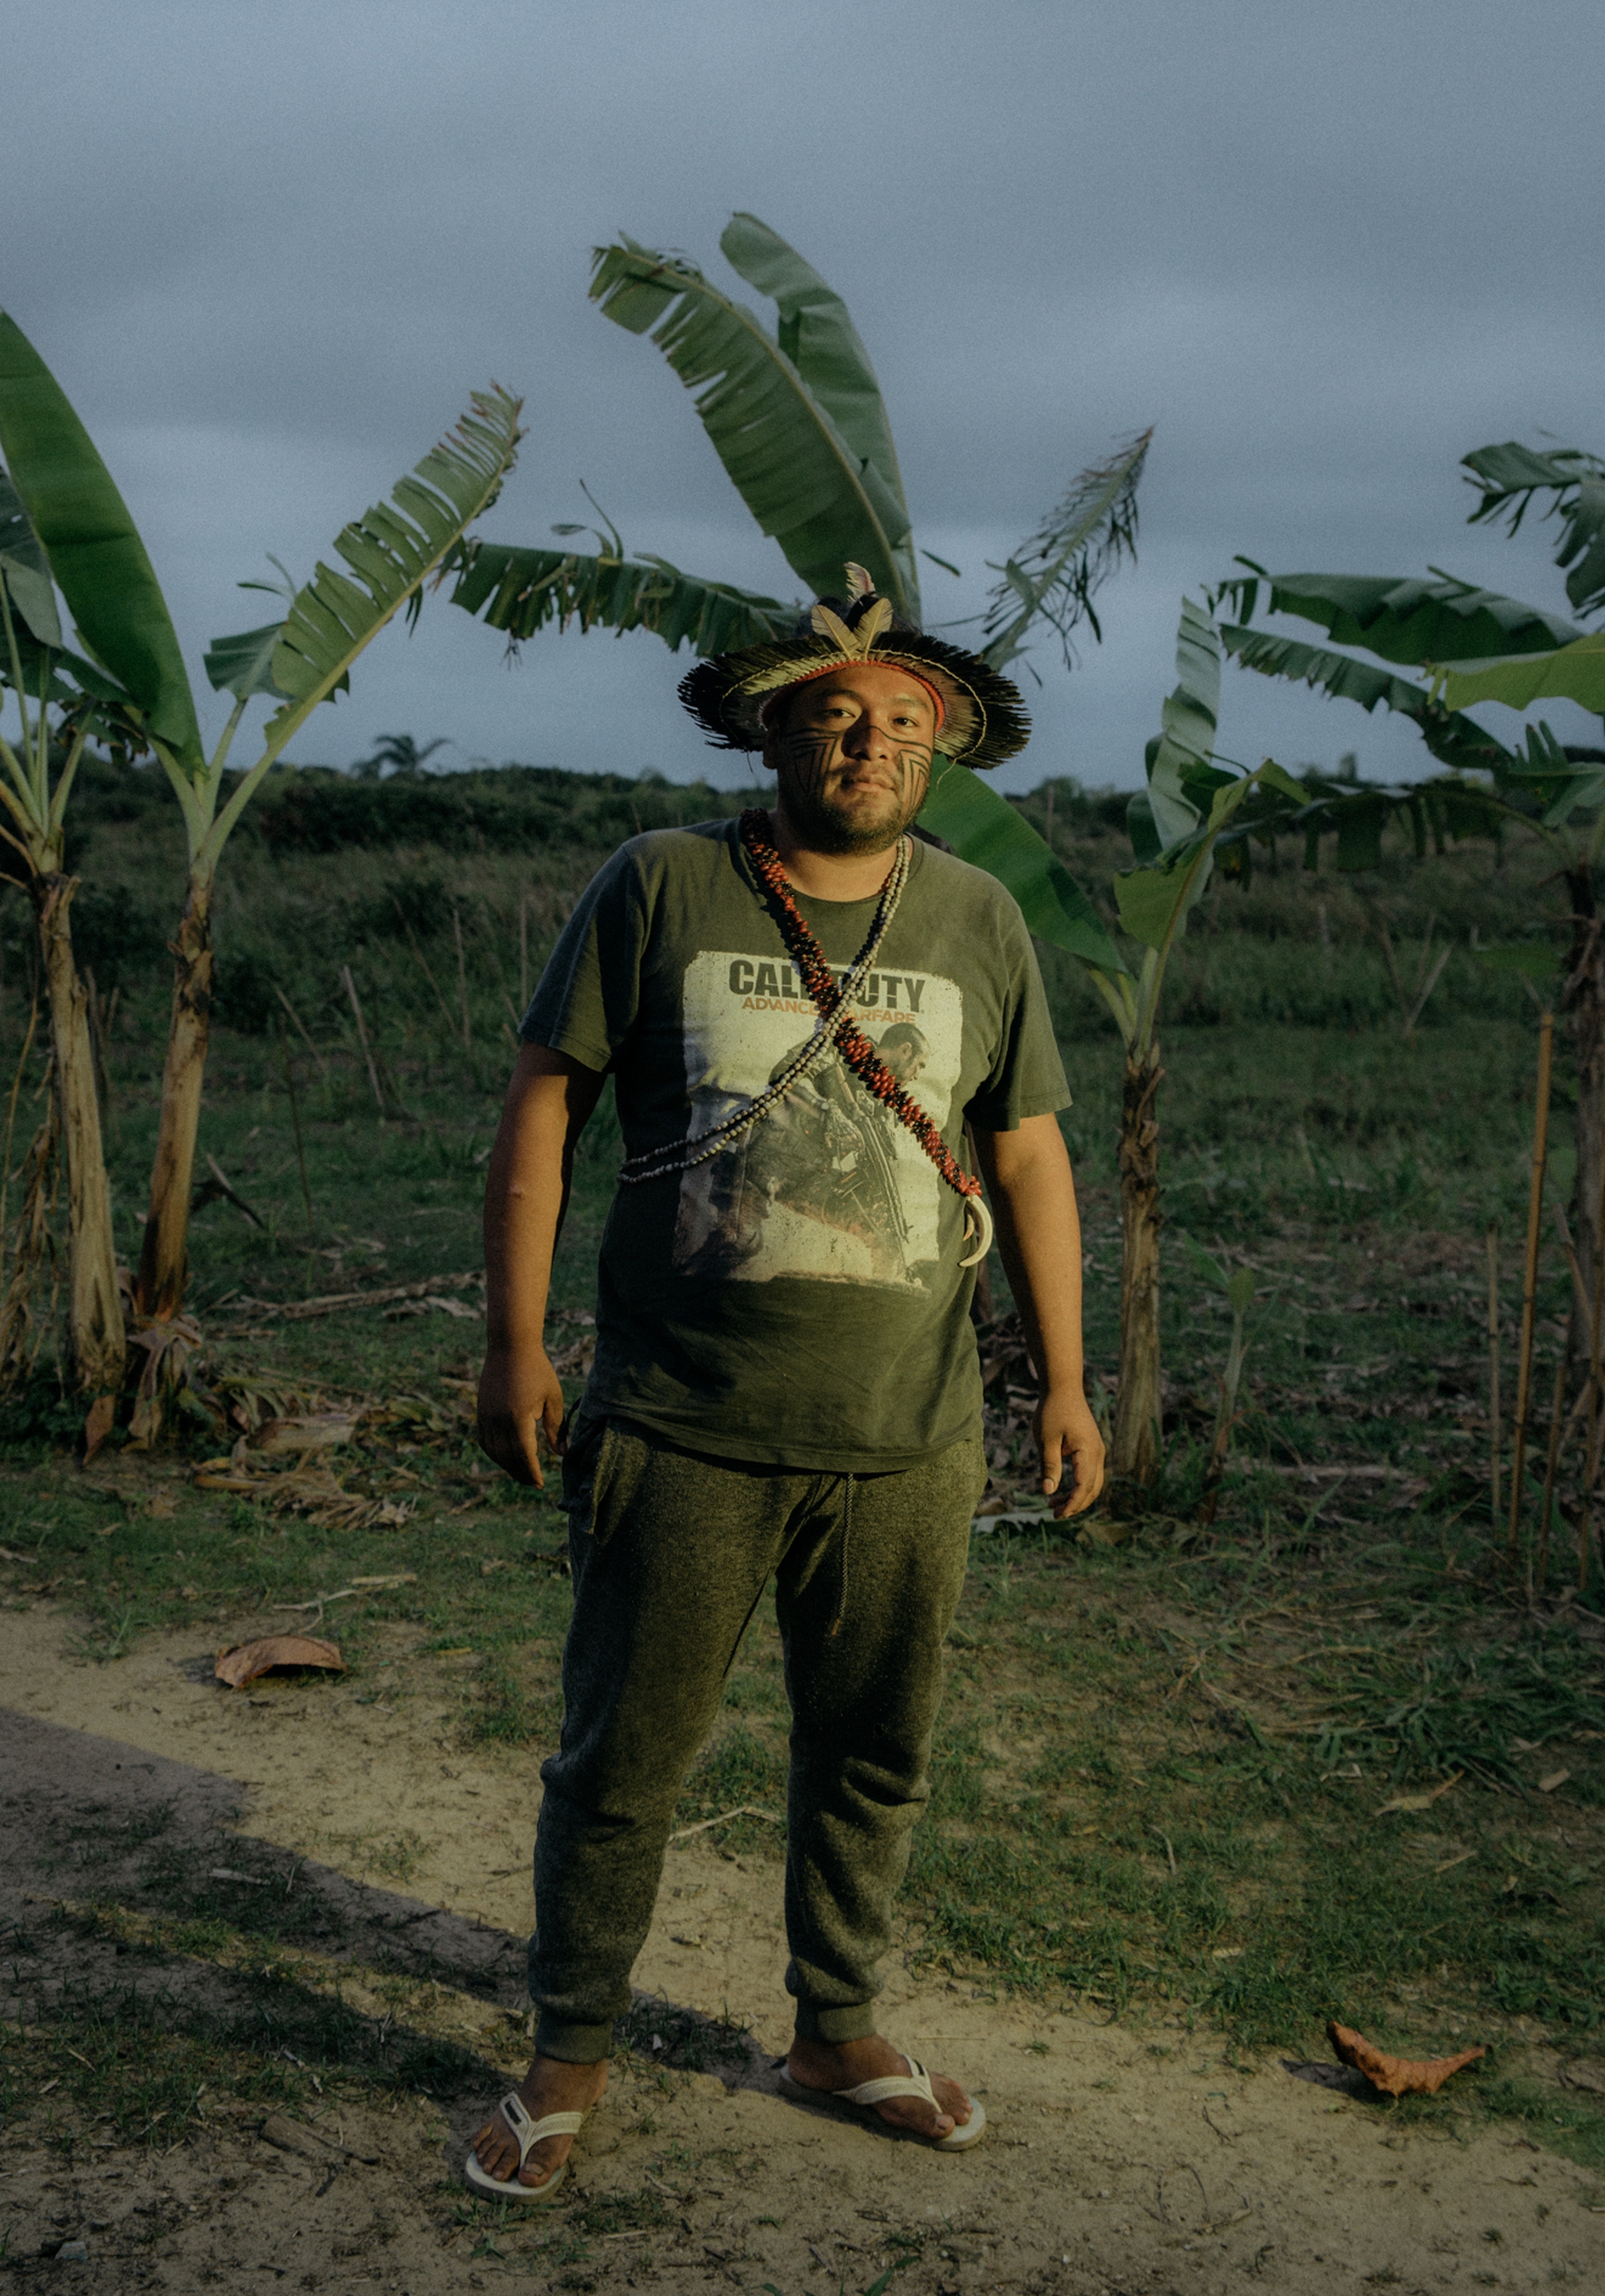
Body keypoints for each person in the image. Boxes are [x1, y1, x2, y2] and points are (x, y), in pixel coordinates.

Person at [467, 569, 1105, 2199]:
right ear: (772, 733)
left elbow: (1029, 1152)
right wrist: (514, 1340)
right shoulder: (660, 883)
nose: (868, 741)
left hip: (908, 1436)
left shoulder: (979, 918)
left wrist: (1067, 1380)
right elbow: (544, 1101)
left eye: (901, 720)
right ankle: (566, 2051)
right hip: (681, 1422)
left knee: (873, 1750)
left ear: (938, 749)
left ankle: (837, 2024)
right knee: (621, 1758)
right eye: (834, 713)